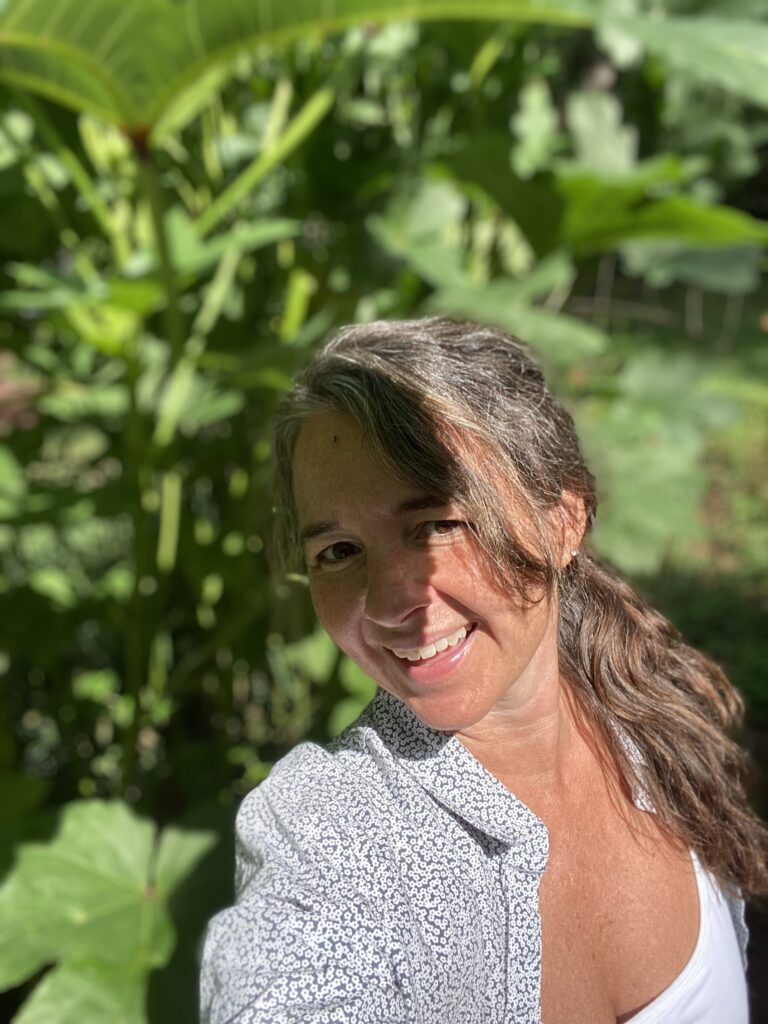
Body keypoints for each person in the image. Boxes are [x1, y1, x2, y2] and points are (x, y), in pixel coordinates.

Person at [200, 317, 767, 1024]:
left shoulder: (655, 714)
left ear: (562, 520)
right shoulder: (322, 832)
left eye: (439, 523)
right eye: (339, 551)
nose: (392, 604)